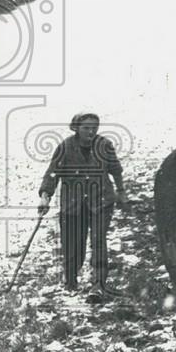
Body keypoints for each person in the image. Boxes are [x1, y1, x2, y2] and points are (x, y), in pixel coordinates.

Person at [37, 112, 128, 302]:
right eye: (86, 127)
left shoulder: (104, 145)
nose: (91, 131)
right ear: (76, 128)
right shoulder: (65, 148)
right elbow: (52, 174)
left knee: (98, 242)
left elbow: (116, 170)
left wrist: (121, 191)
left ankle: (98, 284)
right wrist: (45, 196)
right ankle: (71, 281)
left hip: (101, 201)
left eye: (94, 127)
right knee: (73, 244)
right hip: (72, 204)